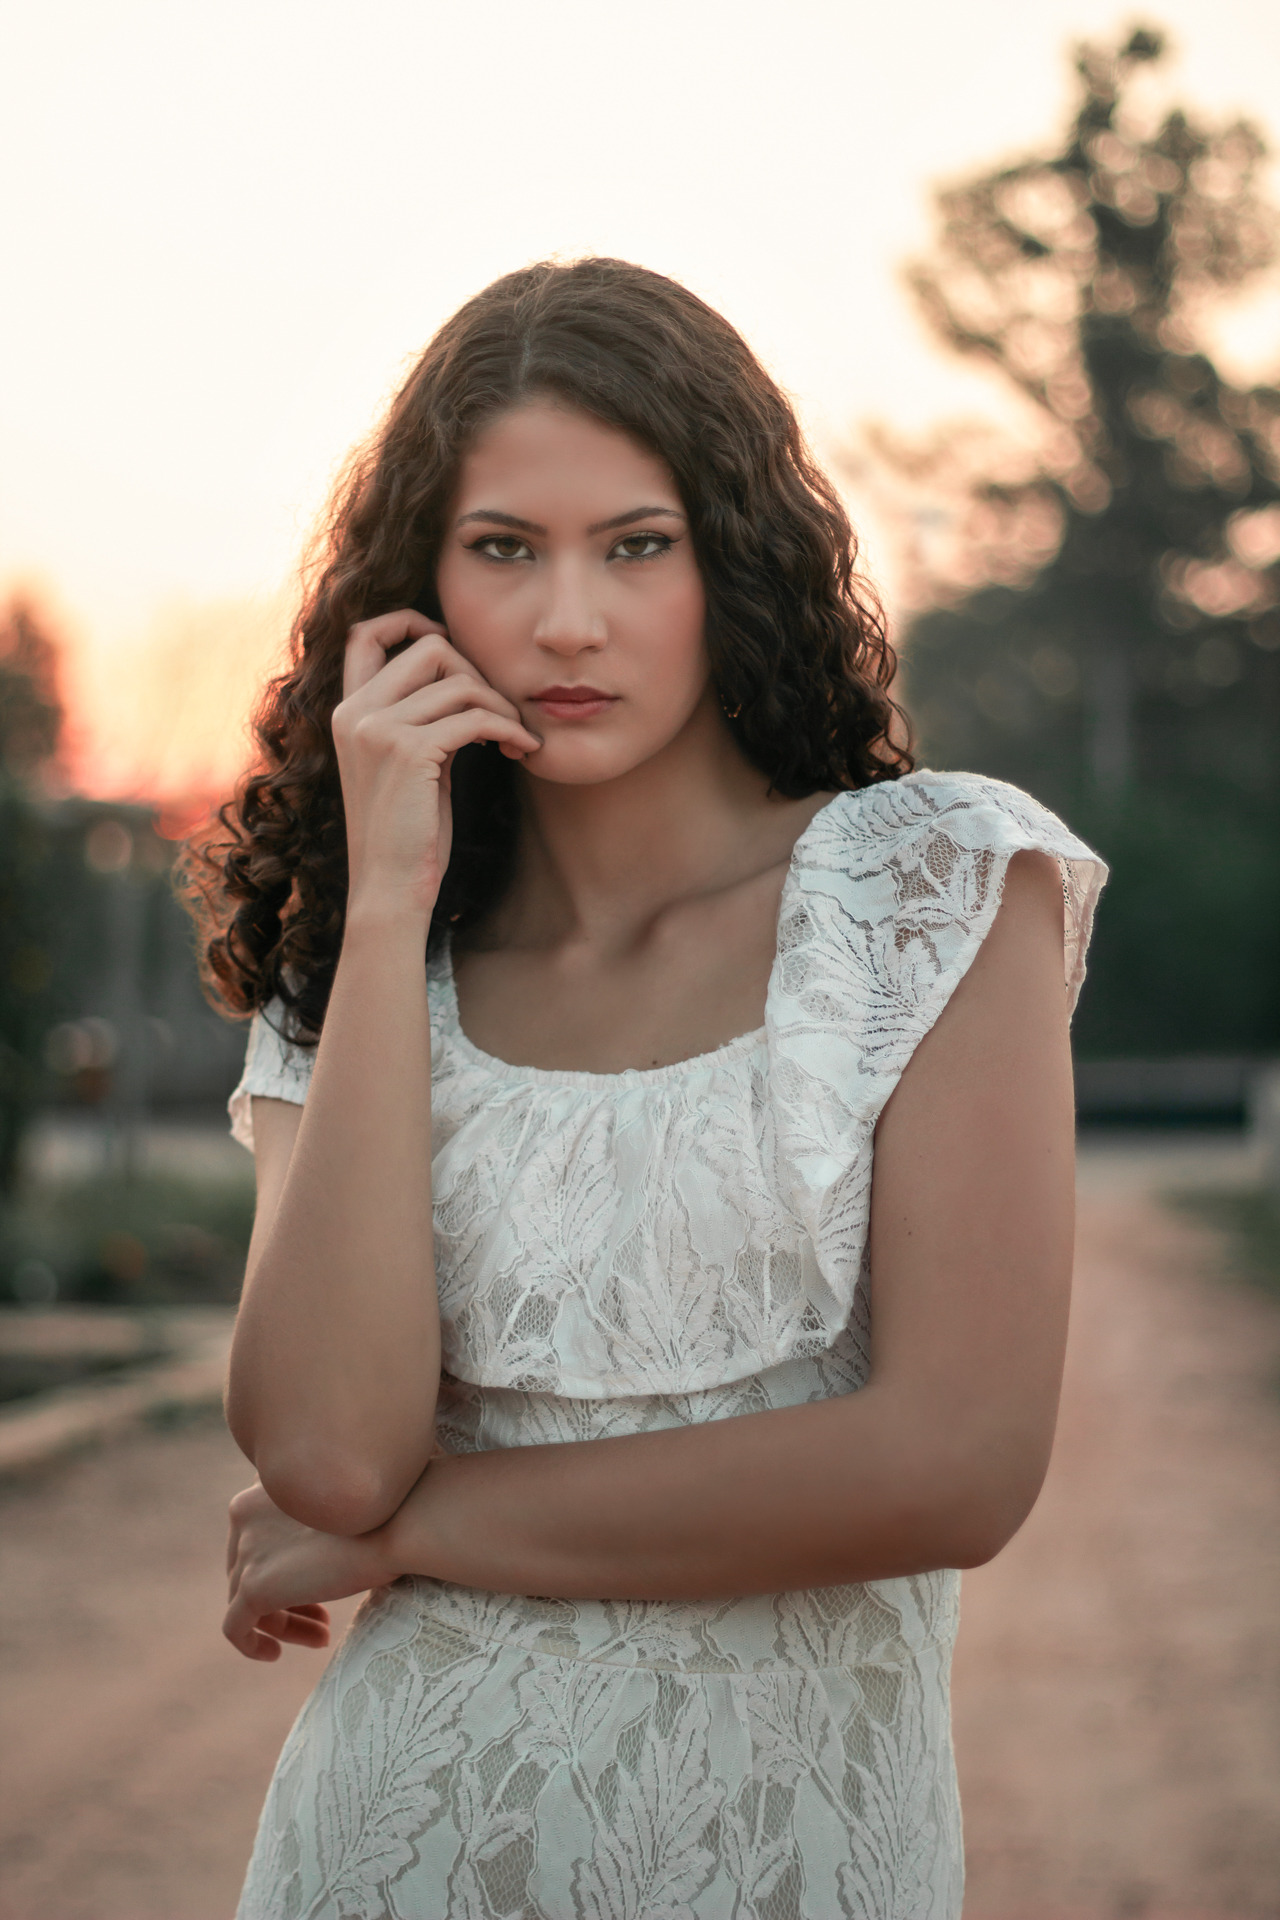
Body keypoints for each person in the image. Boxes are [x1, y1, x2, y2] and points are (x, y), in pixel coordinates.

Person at [191, 257, 1107, 1920]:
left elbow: (956, 1465)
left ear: (729, 558)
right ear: (421, 593)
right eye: (502, 550)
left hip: (795, 1864)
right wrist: (388, 908)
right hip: (388, 1852)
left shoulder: (935, 893)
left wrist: (421, 1531)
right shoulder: (367, 967)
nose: (566, 621)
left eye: (635, 545)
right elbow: (327, 1457)